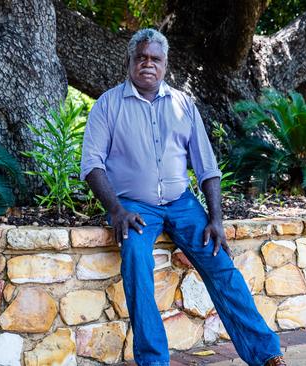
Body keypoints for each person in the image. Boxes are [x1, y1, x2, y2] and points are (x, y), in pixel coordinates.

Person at [80, 28, 286, 366]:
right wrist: (116, 211)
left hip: (182, 204)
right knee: (135, 259)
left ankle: (265, 354)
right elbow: (92, 165)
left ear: (165, 65)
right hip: (133, 206)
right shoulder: (108, 105)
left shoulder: (182, 104)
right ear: (130, 62)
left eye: (155, 59)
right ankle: (153, 361)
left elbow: (207, 167)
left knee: (221, 265)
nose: (148, 64)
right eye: (141, 57)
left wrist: (216, 219)